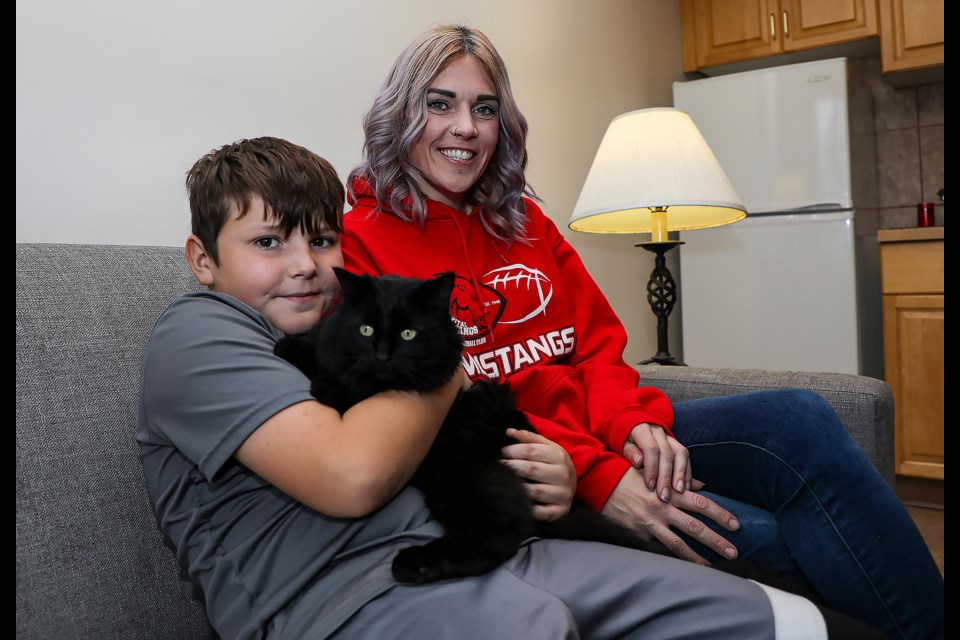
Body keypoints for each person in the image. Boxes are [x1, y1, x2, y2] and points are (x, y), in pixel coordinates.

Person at [341, 23, 944, 640]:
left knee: (801, 416)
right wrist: (597, 477)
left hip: (599, 433)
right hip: (541, 469)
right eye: (440, 103)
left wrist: (633, 422)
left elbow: (598, 345)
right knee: (774, 537)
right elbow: (435, 400)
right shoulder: (360, 241)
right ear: (402, 113)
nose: (466, 127)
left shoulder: (523, 223)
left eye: (484, 108)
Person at [139, 135, 849, 639]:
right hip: (338, 603)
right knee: (535, 626)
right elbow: (352, 473)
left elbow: (472, 426)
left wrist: (556, 468)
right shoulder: (199, 334)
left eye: (321, 241)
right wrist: (447, 362)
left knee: (775, 618)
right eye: (269, 243)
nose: (305, 266)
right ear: (202, 259)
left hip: (483, 549)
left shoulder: (332, 330)